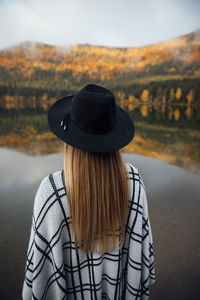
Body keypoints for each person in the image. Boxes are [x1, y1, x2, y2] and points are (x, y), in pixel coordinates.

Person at [22, 84, 155, 300]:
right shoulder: (135, 182)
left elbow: (38, 283)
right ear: (114, 135)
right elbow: (144, 265)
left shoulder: (52, 193)